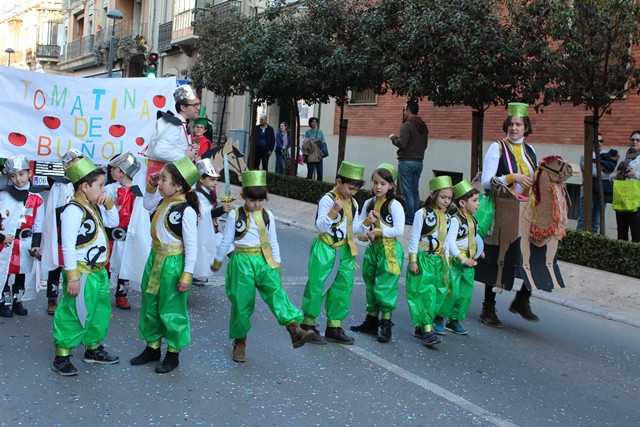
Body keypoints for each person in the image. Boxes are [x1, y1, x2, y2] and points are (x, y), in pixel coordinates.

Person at [210, 170, 314, 363]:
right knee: (242, 304)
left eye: (260, 200)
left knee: (277, 294)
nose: (256, 204)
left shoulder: (268, 216)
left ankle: (294, 329)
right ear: (243, 197)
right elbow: (226, 241)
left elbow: (273, 241)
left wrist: (278, 264)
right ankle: (240, 342)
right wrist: (217, 260)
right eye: (251, 200)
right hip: (242, 262)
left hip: (264, 261)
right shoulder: (235, 215)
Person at [52, 157, 121, 376]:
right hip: (82, 272)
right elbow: (68, 246)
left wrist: (109, 204)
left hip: (98, 272)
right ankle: (62, 355)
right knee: (74, 312)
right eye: (100, 185)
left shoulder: (92, 206)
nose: (104, 189)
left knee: (99, 311)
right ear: (84, 186)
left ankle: (93, 348)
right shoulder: (73, 210)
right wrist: (72, 276)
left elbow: (113, 223)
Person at [131, 157, 200, 374]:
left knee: (171, 307)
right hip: (155, 259)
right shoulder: (164, 201)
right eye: (160, 179)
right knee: (150, 302)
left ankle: (173, 352)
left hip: (172, 264)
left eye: (164, 179)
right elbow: (146, 203)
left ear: (178, 186)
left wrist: (187, 274)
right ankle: (152, 347)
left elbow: (192, 246)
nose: (160, 182)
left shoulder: (186, 211)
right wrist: (151, 186)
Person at [478, 102, 539, 328]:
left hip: (526, 211)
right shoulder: (497, 148)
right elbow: (486, 182)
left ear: (526, 127)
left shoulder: (531, 151)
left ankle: (522, 298)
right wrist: (511, 178)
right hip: (503, 209)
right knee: (498, 258)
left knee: (535, 254)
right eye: (511, 124)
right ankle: (488, 307)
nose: (514, 128)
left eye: (519, 124)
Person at [300, 161, 369, 345]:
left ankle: (334, 326)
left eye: (355, 190)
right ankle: (308, 324)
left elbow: (352, 227)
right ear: (339, 181)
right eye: (350, 188)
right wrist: (334, 211)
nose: (353, 193)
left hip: (345, 250)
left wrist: (368, 222)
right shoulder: (328, 199)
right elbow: (320, 226)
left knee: (343, 287)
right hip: (326, 248)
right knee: (318, 285)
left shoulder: (352, 202)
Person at [351, 163, 405, 343]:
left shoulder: (395, 205)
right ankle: (371, 320)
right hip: (373, 249)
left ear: (391, 185)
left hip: (389, 250)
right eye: (375, 182)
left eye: (383, 183)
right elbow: (358, 226)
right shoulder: (368, 203)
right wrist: (367, 227)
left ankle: (386, 323)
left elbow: (399, 230)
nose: (378, 187)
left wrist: (378, 232)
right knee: (370, 282)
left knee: (386, 286)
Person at [404, 176, 453, 347]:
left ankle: (422, 326)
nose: (446, 201)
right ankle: (427, 329)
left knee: (437, 295)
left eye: (449, 198)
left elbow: (446, 241)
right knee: (425, 294)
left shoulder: (447, 217)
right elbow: (414, 237)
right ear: (433, 195)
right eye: (443, 197)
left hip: (439, 262)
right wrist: (413, 260)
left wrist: (447, 261)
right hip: (424, 259)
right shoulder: (422, 213)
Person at [435, 180, 483, 336]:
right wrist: (462, 258)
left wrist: (479, 250)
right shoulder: (455, 220)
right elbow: (450, 242)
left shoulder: (473, 220)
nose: (478, 204)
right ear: (462, 203)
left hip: (469, 262)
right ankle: (439, 317)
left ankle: (454, 319)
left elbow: (474, 238)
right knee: (451, 291)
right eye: (475, 201)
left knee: (465, 293)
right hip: (456, 262)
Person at [104, 152, 150, 309]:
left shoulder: (137, 192)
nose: (111, 171)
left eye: (114, 169)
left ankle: (121, 295)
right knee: (106, 265)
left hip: (126, 235)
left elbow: (140, 217)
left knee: (125, 265)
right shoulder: (109, 189)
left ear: (122, 172)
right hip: (109, 234)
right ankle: (102, 293)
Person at [0, 155, 44, 318]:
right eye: (13, 175)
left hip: (25, 241)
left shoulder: (37, 198)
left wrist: (36, 244)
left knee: (22, 272)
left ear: (29, 173)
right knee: (5, 271)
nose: (18, 179)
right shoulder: (4, 195)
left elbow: (38, 223)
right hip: (7, 241)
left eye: (21, 174)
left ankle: (17, 300)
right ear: (9, 177)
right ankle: (3, 301)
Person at [41, 149, 84, 316]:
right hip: (61, 229)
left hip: (79, 230)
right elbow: (52, 211)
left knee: (74, 262)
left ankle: (73, 296)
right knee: (57, 264)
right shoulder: (59, 185)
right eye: (74, 162)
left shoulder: (83, 184)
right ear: (66, 166)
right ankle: (52, 297)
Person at [389, 101, 429, 225]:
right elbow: (425, 145)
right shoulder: (423, 126)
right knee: (414, 190)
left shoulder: (407, 125)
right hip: (419, 162)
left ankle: (410, 218)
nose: (404, 112)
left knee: (407, 192)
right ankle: (416, 218)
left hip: (406, 161)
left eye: (404, 110)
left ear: (409, 110)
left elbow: (402, 143)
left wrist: (393, 138)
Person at [146, 85, 201, 175]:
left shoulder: (182, 124)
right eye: (195, 105)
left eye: (198, 104)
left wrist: (191, 151)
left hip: (176, 177)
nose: (198, 108)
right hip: (168, 179)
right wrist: (185, 157)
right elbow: (160, 151)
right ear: (183, 108)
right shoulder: (174, 125)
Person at [193, 158, 232, 282]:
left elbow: (211, 211)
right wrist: (222, 210)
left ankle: (242, 272)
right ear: (201, 179)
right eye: (212, 179)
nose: (215, 183)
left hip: (212, 230)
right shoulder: (197, 194)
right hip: (204, 231)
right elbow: (205, 213)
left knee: (230, 250)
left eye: (216, 179)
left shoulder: (208, 192)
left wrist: (217, 224)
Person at [577, 133, 617, 233]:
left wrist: (600, 168)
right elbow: (591, 172)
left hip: (602, 192)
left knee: (596, 223)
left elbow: (612, 173)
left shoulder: (607, 155)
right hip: (587, 193)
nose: (599, 143)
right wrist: (604, 169)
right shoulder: (585, 155)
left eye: (601, 141)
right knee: (583, 221)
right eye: (596, 141)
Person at [609, 130, 640, 242]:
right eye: (632, 139)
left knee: (636, 234)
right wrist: (617, 175)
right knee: (621, 233)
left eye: (638, 140)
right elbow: (610, 177)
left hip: (637, 202)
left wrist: (634, 174)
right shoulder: (623, 158)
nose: (635, 142)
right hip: (622, 199)